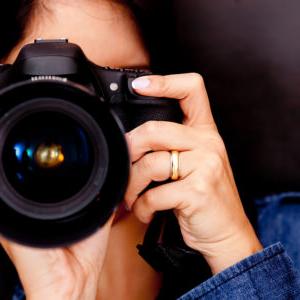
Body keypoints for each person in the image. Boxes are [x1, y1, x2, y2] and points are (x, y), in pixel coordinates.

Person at [0, 1, 299, 299]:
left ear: (169, 95)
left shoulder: (288, 236)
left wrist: (232, 251)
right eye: (45, 98)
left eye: (118, 80)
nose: (83, 127)